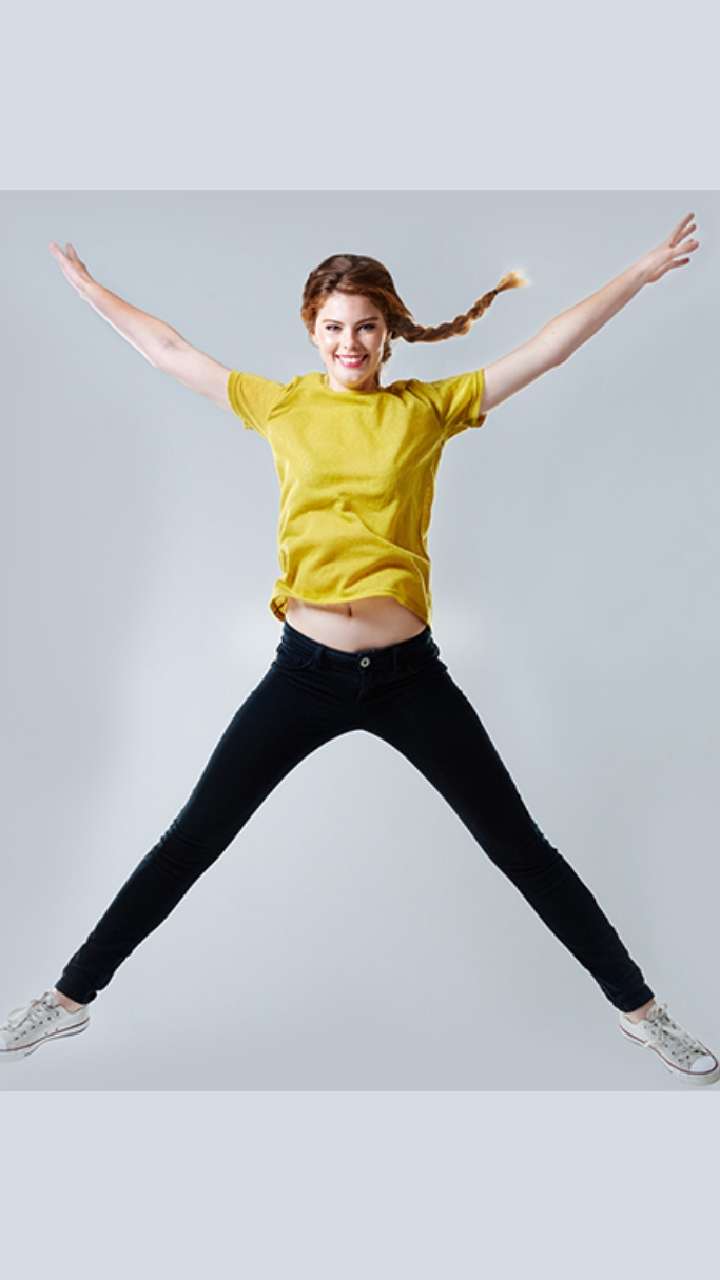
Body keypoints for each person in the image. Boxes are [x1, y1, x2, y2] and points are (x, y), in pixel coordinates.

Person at [2, 215, 717, 1086]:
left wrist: (638, 273)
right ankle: (66, 1000)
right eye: (335, 326)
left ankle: (643, 1013)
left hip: (410, 678)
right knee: (192, 838)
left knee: (520, 848)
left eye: (367, 326)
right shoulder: (281, 405)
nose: (351, 342)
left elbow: (547, 350)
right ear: (313, 329)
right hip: (303, 674)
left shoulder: (426, 409)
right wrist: (90, 292)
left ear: (389, 332)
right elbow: (167, 349)